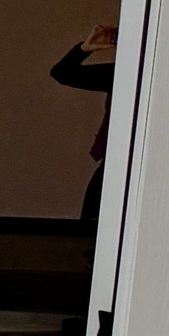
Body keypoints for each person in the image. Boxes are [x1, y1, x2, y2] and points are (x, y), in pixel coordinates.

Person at [51, 22, 120, 227]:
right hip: (113, 164)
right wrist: (85, 49)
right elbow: (62, 73)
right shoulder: (122, 74)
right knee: (90, 230)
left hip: (143, 164)